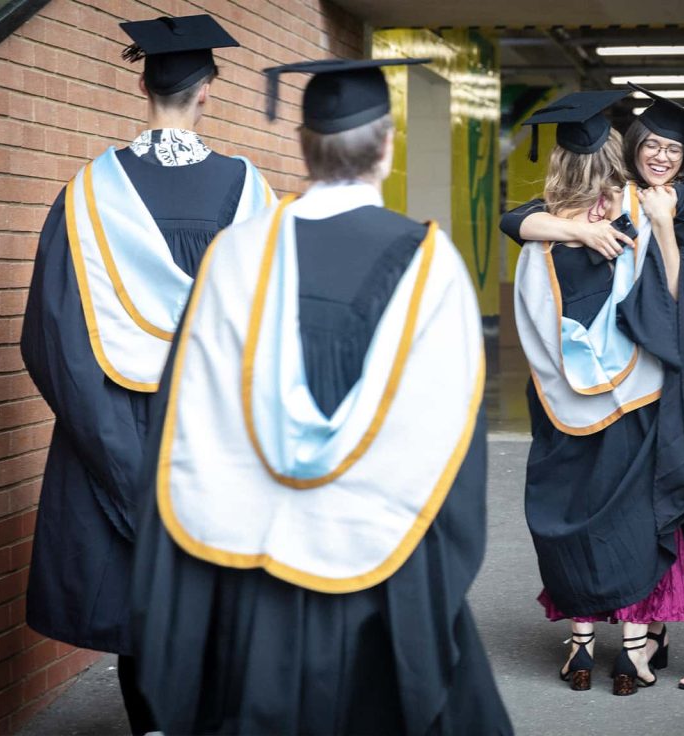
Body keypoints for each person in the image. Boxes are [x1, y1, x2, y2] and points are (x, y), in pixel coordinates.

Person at [130, 57, 513, 735]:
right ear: (387, 146)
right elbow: (453, 445)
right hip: (381, 578)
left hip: (248, 575)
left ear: (303, 147)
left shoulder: (233, 256)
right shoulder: (432, 266)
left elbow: (181, 423)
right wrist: (435, 586)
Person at [20, 14, 272, 734]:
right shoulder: (246, 191)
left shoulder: (87, 195)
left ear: (142, 83)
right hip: (214, 434)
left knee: (142, 600)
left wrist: (110, 445)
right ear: (209, 92)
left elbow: (50, 337)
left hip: (114, 426)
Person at [501, 85, 684, 691]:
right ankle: (648, 630)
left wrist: (665, 217)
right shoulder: (618, 205)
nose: (661, 155)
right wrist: (577, 230)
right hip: (650, 370)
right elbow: (516, 218)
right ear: (628, 148)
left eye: (675, 147)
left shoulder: (674, 197)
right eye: (652, 144)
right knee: (651, 498)